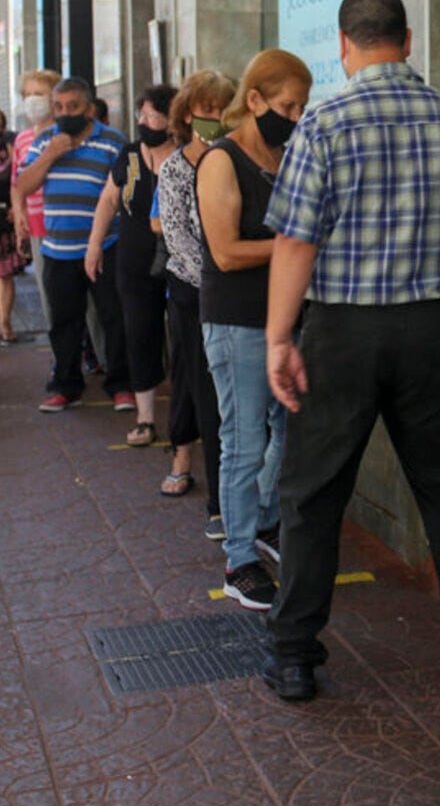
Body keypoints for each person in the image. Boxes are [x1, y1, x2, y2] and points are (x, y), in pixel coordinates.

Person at [262, 0, 440, 701]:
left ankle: (295, 653)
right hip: (430, 328)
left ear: (343, 44)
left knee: (313, 492)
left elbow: (296, 240)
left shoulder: (324, 121)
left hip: (343, 330)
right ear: (408, 39)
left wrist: (278, 338)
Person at [197, 49, 311, 611]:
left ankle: (261, 522)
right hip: (237, 322)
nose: (295, 117)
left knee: (284, 433)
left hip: (283, 320)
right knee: (244, 443)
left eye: (302, 107)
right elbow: (224, 252)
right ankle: (240, 556)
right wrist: (297, 244)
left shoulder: (283, 156)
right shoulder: (222, 160)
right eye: (288, 105)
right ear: (256, 99)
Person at [12, 77, 134, 413]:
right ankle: (66, 386)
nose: (65, 114)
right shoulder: (45, 141)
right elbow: (22, 185)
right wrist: (49, 155)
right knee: (64, 322)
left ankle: (121, 383)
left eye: (73, 107)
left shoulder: (113, 142)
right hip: (58, 249)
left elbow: (127, 189)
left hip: (105, 246)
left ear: (90, 109)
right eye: (59, 107)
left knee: (113, 317)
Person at [153, 70, 236, 515]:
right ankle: (221, 504)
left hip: (235, 292)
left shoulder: (236, 158)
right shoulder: (174, 167)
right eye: (207, 111)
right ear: (188, 114)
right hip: (193, 293)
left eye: (224, 109)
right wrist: (223, 277)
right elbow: (179, 238)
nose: (216, 118)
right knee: (208, 397)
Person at [85, 85, 177, 446]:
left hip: (179, 262)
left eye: (151, 115)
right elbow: (108, 200)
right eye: (141, 114)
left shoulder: (189, 156)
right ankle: (146, 419)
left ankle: (189, 418)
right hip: (133, 261)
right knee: (139, 334)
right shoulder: (128, 154)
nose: (143, 122)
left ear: (171, 119)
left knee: (184, 339)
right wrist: (94, 246)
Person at [10, 69, 61, 330]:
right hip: (37, 224)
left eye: (38, 94)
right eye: (28, 94)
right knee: (46, 291)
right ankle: (59, 351)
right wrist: (19, 217)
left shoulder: (65, 134)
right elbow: (16, 184)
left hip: (64, 223)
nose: (32, 100)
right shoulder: (22, 139)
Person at [0, 108, 22, 344]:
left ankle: (5, 323)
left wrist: (17, 208)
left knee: (4, 274)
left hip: (4, 216)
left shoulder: (10, 145)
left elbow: (18, 178)